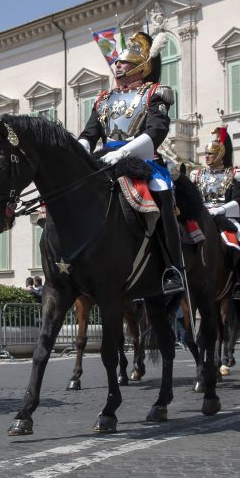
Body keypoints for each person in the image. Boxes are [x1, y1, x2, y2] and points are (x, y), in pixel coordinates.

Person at [78, 29, 184, 294]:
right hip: (104, 160)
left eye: (123, 62)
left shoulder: (155, 93)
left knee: (162, 192)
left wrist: (123, 153)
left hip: (142, 159)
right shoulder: (103, 99)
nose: (117, 65)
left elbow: (156, 132)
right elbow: (89, 135)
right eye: (117, 63)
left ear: (140, 67)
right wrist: (78, 152)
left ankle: (173, 266)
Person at [191, 126, 240, 299]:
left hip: (224, 217)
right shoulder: (197, 174)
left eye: (211, 154)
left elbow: (238, 200)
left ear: (221, 154)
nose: (207, 157)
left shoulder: (234, 174)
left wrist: (220, 210)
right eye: (206, 154)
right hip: (201, 217)